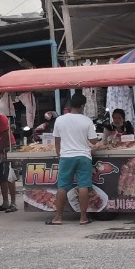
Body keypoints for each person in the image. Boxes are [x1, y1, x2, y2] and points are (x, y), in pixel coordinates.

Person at [48, 93, 100, 226]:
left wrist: (59, 155)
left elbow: (57, 141)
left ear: (70, 105)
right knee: (83, 186)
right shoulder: (86, 120)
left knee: (62, 186)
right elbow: (93, 140)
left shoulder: (60, 120)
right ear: (82, 106)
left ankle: (58, 217)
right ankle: (83, 218)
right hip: (83, 156)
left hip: (66, 156)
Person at [0, 110, 18, 213]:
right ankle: (5, 202)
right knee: (1, 176)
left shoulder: (1, 119)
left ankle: (13, 202)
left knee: (9, 175)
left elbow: (7, 136)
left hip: (7, 147)